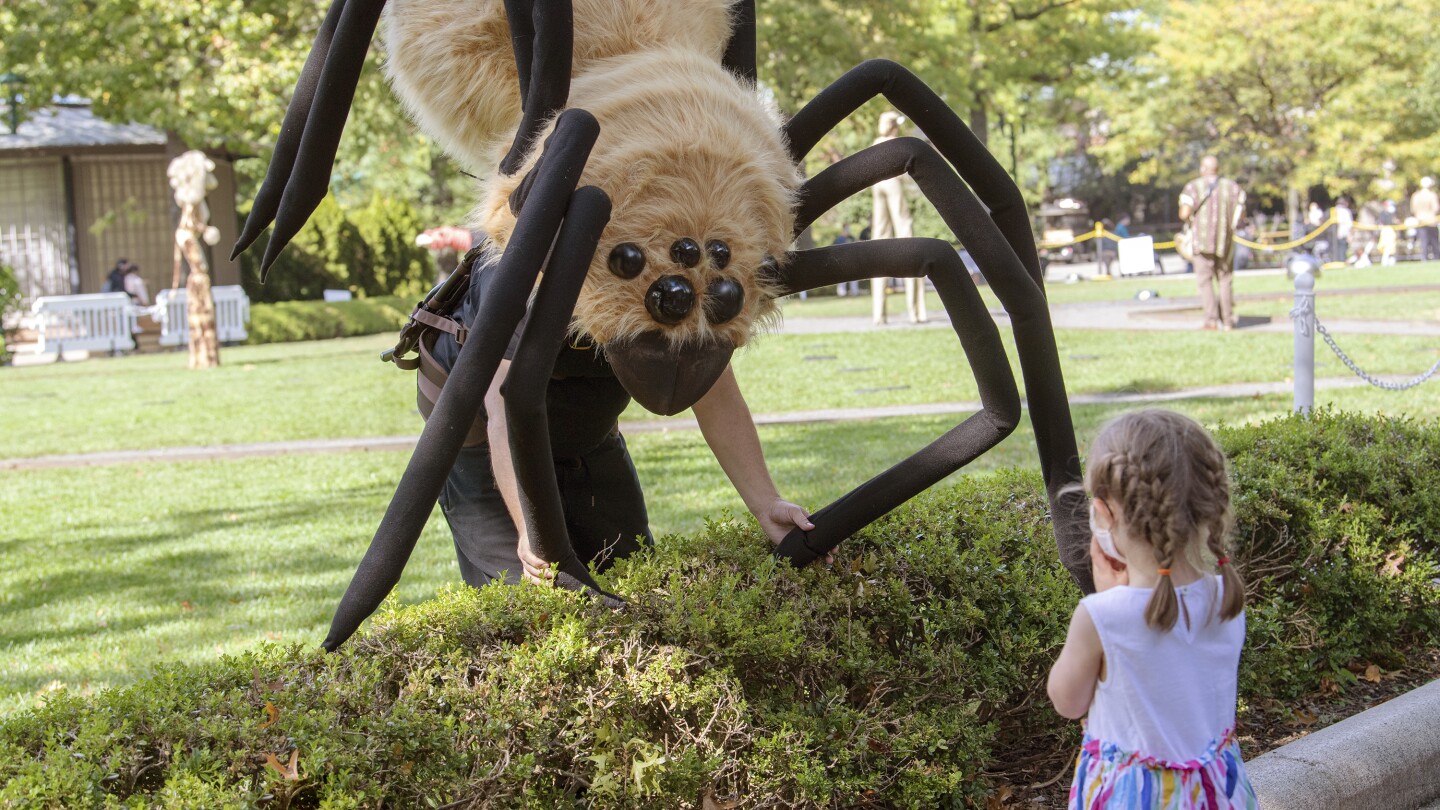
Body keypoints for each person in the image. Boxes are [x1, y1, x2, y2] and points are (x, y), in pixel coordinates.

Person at [425, 252, 815, 589]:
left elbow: (716, 397)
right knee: (526, 591)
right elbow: (504, 413)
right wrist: (530, 531)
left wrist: (767, 504)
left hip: (588, 428)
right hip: (480, 430)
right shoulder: (522, 273)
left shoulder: (683, 268)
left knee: (631, 573)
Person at [1048, 409, 1257, 809]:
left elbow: (1067, 701)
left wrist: (1107, 596)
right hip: (1219, 795)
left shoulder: (1101, 617)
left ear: (1104, 514)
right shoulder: (1226, 597)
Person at [870, 111, 926, 325]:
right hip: (892, 186)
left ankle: (879, 314)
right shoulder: (896, 143)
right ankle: (916, 312)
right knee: (907, 238)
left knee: (878, 244)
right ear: (894, 126)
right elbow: (907, 177)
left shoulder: (876, 143)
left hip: (877, 188)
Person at [1179, 156, 1246, 331]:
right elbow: (1241, 214)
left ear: (1203, 168)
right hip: (1225, 241)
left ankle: (1211, 320)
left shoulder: (1193, 187)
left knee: (1205, 280)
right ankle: (1228, 321)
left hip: (1201, 242)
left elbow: (1184, 213)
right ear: (1217, 168)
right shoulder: (1232, 187)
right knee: (1225, 280)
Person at [1410, 178, 1439, 261]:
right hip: (1431, 220)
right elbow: (1436, 208)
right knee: (1434, 241)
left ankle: (1424, 258)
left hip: (1420, 220)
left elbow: (1413, 209)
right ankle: (1436, 258)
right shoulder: (1432, 195)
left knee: (1423, 241)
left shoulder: (1416, 196)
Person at [832, 224, 860, 296]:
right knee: (842, 279)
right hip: (842, 261)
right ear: (843, 229)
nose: (848, 230)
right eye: (847, 228)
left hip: (852, 261)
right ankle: (841, 293)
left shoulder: (852, 238)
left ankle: (855, 292)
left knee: (854, 278)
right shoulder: (839, 239)